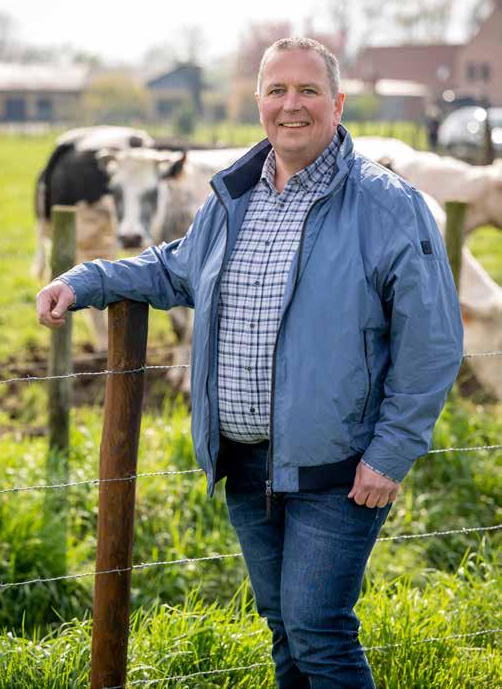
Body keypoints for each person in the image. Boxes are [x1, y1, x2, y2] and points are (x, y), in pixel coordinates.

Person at [37, 38, 463, 688]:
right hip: (244, 465)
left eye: (309, 90)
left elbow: (432, 341)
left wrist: (391, 453)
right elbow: (174, 267)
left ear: (338, 104)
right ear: (259, 103)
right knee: (285, 632)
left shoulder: (388, 206)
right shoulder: (233, 198)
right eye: (277, 90)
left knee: (319, 631)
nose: (292, 105)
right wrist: (87, 279)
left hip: (339, 469)